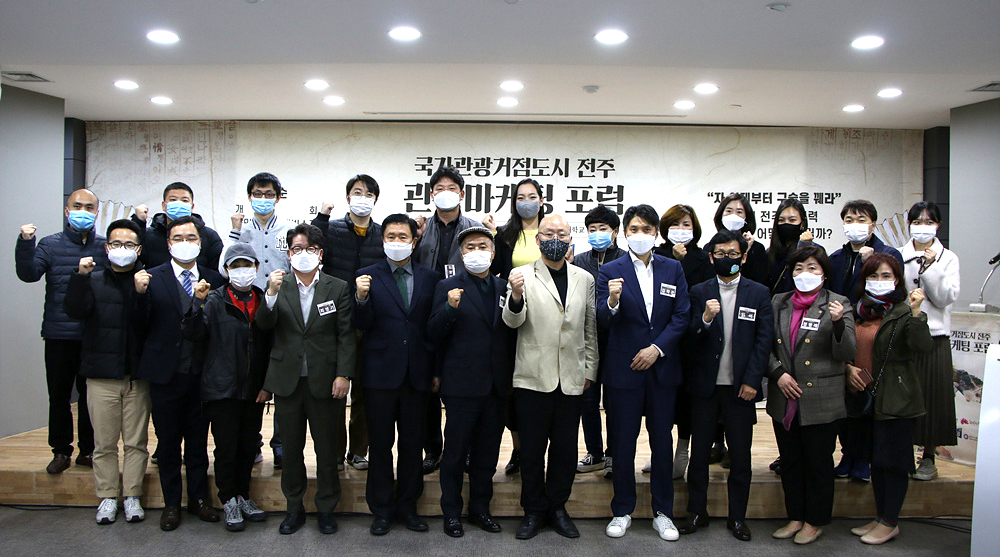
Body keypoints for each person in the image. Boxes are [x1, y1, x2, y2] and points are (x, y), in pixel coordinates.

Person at [596, 204, 691, 542]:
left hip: (662, 369)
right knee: (622, 444)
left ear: (656, 233)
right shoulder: (611, 270)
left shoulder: (672, 268)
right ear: (624, 233)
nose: (640, 235)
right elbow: (602, 319)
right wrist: (612, 301)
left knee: (661, 443)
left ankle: (663, 513)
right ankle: (622, 509)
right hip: (624, 370)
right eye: (634, 229)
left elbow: (682, 315)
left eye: (647, 229)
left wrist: (657, 349)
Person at [254, 224, 356, 535]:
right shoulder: (278, 286)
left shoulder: (337, 287)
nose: (303, 254)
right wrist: (270, 294)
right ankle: (293, 508)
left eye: (310, 249)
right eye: (297, 249)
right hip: (288, 381)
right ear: (288, 253)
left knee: (327, 450)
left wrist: (343, 374)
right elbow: (263, 325)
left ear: (320, 254)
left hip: (325, 381)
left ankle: (326, 508)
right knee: (291, 449)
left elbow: (346, 335)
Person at [502, 214, 598, 540]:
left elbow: (589, 327)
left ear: (571, 239)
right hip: (532, 376)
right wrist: (516, 297)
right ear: (538, 239)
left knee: (565, 450)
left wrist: (590, 369)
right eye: (548, 233)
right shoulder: (521, 275)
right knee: (531, 451)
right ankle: (533, 510)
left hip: (572, 376)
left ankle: (558, 507)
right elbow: (512, 322)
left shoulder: (585, 278)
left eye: (562, 233)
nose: (555, 238)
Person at [678, 230, 773, 542]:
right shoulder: (698, 291)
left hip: (740, 389)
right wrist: (705, 319)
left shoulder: (759, 293)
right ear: (711, 257)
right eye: (720, 254)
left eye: (733, 254)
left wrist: (752, 381)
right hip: (705, 388)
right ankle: (697, 512)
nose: (726, 259)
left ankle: (737, 518)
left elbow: (763, 342)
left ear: (743, 258)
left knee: (741, 458)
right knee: (700, 455)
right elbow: (689, 339)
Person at [136, 216, 225, 531]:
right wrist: (138, 295)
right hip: (165, 374)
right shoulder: (151, 277)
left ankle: (199, 500)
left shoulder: (215, 279)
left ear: (200, 243)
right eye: (178, 238)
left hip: (201, 374)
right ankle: (171, 503)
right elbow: (139, 324)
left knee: (198, 443)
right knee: (168, 443)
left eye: (191, 238)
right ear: (168, 243)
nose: (185, 243)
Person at [354, 214, 440, 536]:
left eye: (403, 237)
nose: (397, 242)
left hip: (417, 375)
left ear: (414, 242)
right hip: (380, 375)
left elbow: (433, 329)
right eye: (391, 236)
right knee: (380, 445)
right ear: (382, 240)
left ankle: (408, 507)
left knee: (412, 444)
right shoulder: (366, 276)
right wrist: (361, 298)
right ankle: (381, 510)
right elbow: (361, 325)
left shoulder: (430, 278)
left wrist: (435, 371)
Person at [767, 245, 856, 545]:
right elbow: (764, 346)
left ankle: (814, 521)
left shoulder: (838, 303)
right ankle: (795, 516)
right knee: (791, 461)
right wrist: (778, 373)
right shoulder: (779, 302)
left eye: (812, 268)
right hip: (784, 396)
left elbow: (847, 352)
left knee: (818, 464)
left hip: (821, 400)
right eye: (799, 268)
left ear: (824, 274)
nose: (805, 273)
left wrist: (839, 323)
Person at [427, 226, 513, 537]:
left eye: (483, 246)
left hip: (496, 385)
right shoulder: (447, 286)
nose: (477, 252)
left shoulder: (505, 287)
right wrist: (449, 308)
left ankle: (480, 509)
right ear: (462, 254)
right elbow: (433, 333)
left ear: (493, 252)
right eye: (470, 247)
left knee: (487, 454)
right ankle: (451, 512)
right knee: (454, 454)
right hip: (461, 384)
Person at [63, 219, 149, 525]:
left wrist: (141, 294)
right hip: (100, 375)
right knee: (104, 443)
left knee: (136, 442)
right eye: (116, 244)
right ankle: (108, 496)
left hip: (137, 377)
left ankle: (133, 495)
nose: (122, 249)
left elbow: (148, 325)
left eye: (129, 244)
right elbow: (74, 311)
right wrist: (79, 277)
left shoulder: (146, 281)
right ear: (106, 247)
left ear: (139, 249)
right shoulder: (93, 279)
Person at [183, 243, 272, 532]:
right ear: (226, 270)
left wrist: (266, 385)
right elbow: (193, 334)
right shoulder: (214, 299)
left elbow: (269, 346)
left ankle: (243, 495)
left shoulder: (263, 299)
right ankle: (228, 498)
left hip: (253, 389)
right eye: (236, 266)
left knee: (248, 446)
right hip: (221, 388)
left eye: (247, 265)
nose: (242, 271)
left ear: (257, 268)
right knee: (226, 447)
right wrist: (196, 303)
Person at [15, 188, 104, 474]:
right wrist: (25, 243)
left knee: (91, 397)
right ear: (67, 211)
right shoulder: (49, 244)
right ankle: (61, 450)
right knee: (59, 396)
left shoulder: (105, 246)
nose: (82, 211)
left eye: (89, 207)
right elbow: (29, 274)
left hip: (93, 335)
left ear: (96, 213)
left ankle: (88, 451)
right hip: (58, 334)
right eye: (77, 206)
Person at [845, 254, 931, 544]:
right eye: (873, 276)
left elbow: (921, 346)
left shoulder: (904, 311)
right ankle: (881, 516)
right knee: (877, 461)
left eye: (886, 276)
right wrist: (848, 368)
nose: (879, 281)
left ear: (897, 280)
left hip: (896, 400)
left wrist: (917, 314)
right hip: (866, 398)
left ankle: (890, 521)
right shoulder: (858, 310)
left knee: (893, 463)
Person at [312, 173, 386, 472]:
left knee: (365, 394)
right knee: (335, 391)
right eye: (357, 192)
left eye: (368, 194)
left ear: (375, 200)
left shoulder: (381, 234)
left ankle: (358, 451)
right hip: (336, 321)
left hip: (369, 322)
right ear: (347, 198)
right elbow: (311, 243)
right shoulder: (331, 229)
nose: (362, 198)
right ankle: (334, 451)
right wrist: (322, 216)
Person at [413, 166, 484, 475]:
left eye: (452, 188)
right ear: (431, 194)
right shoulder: (420, 228)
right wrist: (415, 236)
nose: (446, 193)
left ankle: (464, 449)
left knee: (460, 386)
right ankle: (432, 449)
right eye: (439, 188)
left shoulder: (474, 227)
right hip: (426, 310)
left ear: (462, 194)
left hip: (463, 308)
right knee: (428, 385)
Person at [826, 200, 903, 483]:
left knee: (869, 398)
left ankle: (864, 459)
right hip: (843, 332)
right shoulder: (836, 258)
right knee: (846, 400)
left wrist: (869, 262)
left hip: (874, 334)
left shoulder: (888, 254)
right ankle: (848, 453)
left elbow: (894, 293)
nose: (854, 224)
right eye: (849, 219)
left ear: (872, 223)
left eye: (861, 219)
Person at [223, 172, 294, 469]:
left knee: (282, 378)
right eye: (257, 194)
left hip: (282, 311)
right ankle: (252, 442)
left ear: (278, 198)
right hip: (248, 311)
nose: (263, 199)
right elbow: (223, 269)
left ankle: (280, 444)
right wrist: (234, 232)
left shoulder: (288, 230)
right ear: (250, 197)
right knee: (251, 374)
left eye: (268, 194)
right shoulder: (241, 230)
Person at [653, 204, 715, 479]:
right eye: (675, 225)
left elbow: (699, 294)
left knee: (686, 400)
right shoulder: (656, 255)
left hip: (692, 339)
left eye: (686, 225)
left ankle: (682, 450)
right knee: (661, 401)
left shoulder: (703, 258)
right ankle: (660, 452)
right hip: (662, 338)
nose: (680, 230)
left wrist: (683, 262)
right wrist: (673, 259)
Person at [900, 201, 959, 481]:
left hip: (935, 337)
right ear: (909, 224)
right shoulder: (898, 255)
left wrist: (932, 266)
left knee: (933, 397)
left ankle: (928, 457)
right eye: (917, 221)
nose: (922, 227)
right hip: (903, 334)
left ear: (938, 225)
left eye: (929, 221)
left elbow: (945, 298)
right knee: (901, 396)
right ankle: (902, 454)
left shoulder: (949, 258)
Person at [573, 205, 628, 480]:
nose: (597, 234)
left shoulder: (626, 260)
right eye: (592, 229)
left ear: (615, 232)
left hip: (617, 338)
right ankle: (594, 451)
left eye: (603, 229)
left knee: (615, 401)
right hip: (586, 339)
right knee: (588, 399)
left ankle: (613, 454)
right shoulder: (579, 261)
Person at [132, 182, 223, 270]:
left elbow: (219, 269)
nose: (179, 204)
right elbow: (134, 261)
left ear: (192, 207)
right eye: (173, 200)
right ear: (164, 206)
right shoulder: (149, 235)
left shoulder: (209, 235)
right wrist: (138, 223)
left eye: (184, 200)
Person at [491, 178, 545, 278]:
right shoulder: (503, 235)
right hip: (512, 287)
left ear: (541, 201)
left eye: (532, 197)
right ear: (515, 203)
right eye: (521, 198)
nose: (526, 202)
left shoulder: (551, 234)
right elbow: (494, 269)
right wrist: (492, 236)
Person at [712, 193, 767, 285]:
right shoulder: (711, 246)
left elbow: (758, 282)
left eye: (739, 212)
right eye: (729, 211)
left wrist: (745, 250)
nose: (733, 215)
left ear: (746, 217)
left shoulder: (757, 249)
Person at [767, 198, 813, 295]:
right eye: (781, 220)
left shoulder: (814, 250)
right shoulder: (769, 253)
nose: (786, 223)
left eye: (792, 220)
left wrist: (805, 246)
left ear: (802, 223)